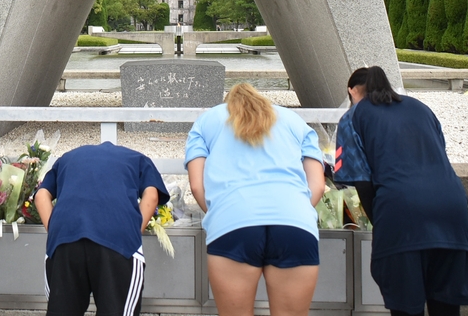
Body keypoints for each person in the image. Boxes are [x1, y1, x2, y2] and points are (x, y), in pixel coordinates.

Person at [334, 67, 468, 316]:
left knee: (406, 308)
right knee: (447, 308)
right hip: (453, 213)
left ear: (353, 91)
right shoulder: (421, 108)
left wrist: (381, 224)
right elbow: (438, 155)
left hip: (401, 214)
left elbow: (362, 181)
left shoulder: (353, 117)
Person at [185, 83, 325, 316]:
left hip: (233, 219)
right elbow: (318, 185)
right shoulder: (294, 120)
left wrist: (218, 214)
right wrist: (295, 209)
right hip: (294, 221)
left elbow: (197, 185)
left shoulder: (206, 121)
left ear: (228, 103)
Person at [34, 142, 170, 316]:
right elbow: (151, 196)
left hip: (65, 237)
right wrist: (133, 233)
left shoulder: (66, 159)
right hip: (116, 237)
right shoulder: (138, 160)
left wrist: (55, 231)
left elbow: (41, 196)